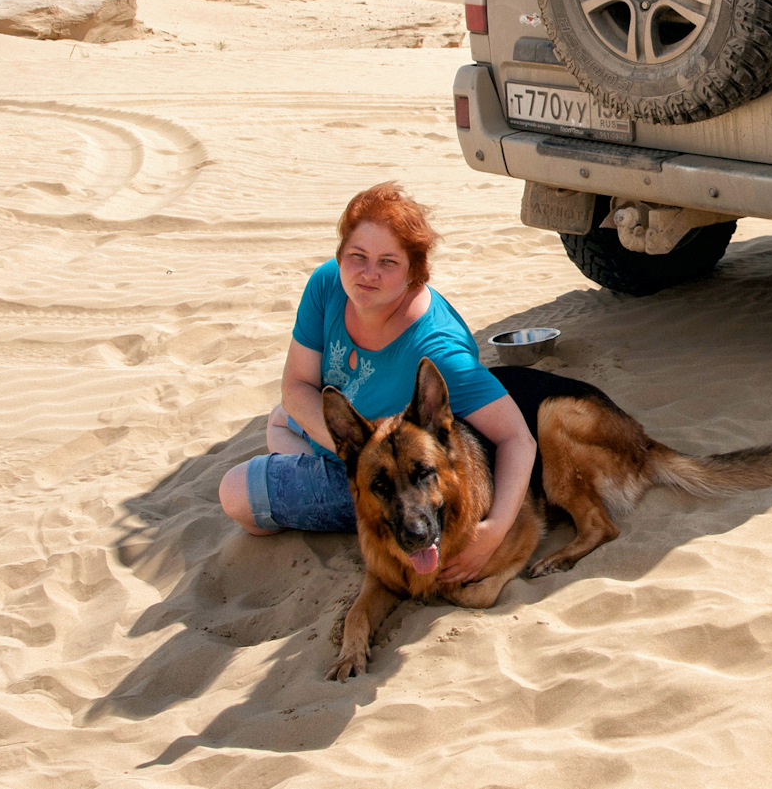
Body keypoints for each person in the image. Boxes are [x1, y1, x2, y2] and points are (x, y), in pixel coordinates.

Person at [218, 182, 535, 584]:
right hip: (355, 448)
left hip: (390, 478)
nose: (368, 274)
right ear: (340, 255)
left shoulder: (437, 349)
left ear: (414, 273)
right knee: (279, 419)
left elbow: (517, 439)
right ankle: (338, 492)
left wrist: (494, 532)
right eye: (357, 256)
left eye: (388, 262)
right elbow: (296, 386)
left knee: (235, 494)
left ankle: (361, 513)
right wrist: (347, 453)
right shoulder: (327, 284)